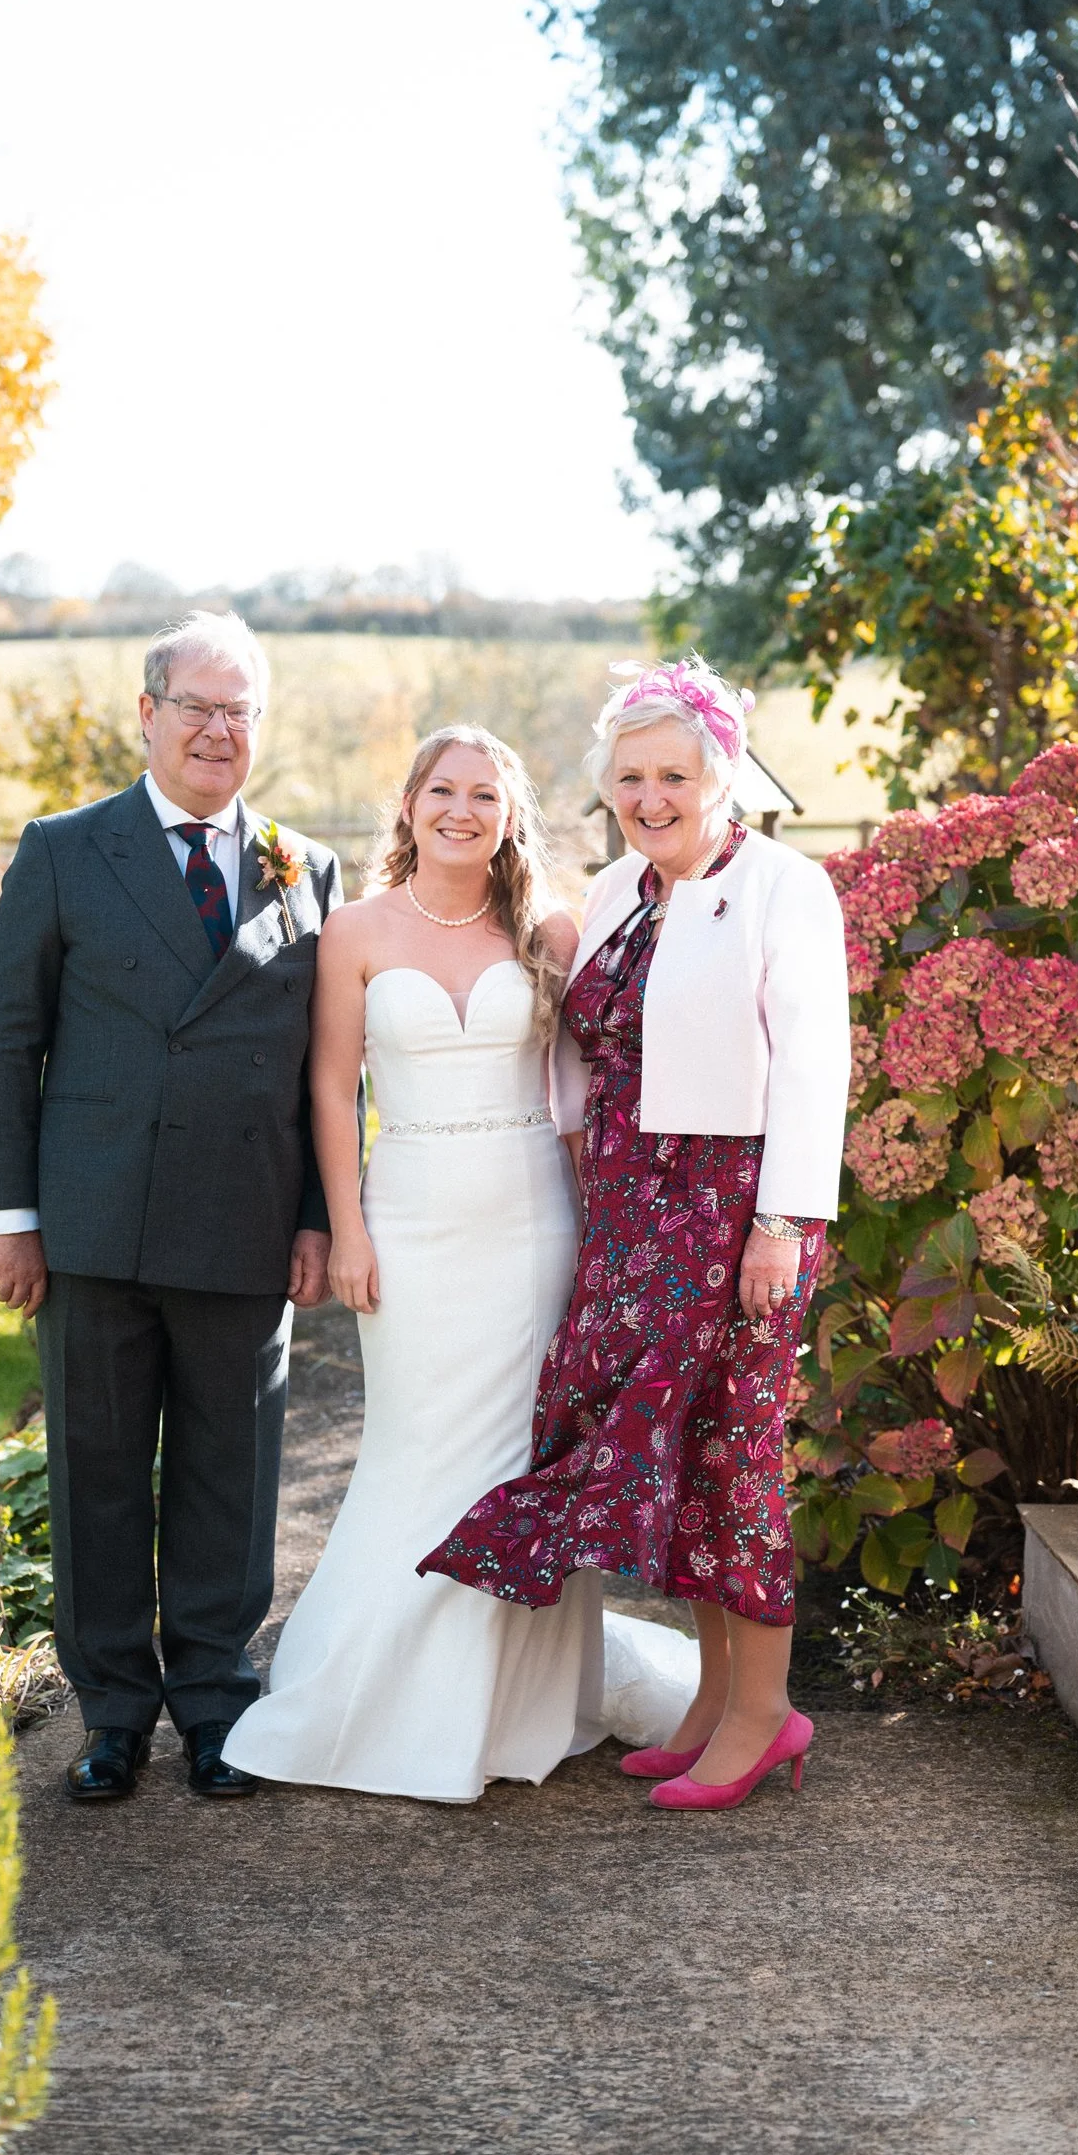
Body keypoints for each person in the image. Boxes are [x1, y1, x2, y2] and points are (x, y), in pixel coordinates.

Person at [224, 726, 697, 1802]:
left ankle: (514, 1708)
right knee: (414, 1447)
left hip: (532, 1222)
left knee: (513, 1461)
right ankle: (376, 1696)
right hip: (408, 1214)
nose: (461, 809)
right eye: (443, 789)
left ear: (507, 813)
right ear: (407, 804)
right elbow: (329, 1087)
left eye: (484, 794)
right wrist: (346, 1227)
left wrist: (610, 1238)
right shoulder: (352, 931)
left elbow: (582, 1097)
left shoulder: (547, 927)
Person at [422, 659, 850, 1812]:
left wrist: (779, 1226)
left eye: (674, 773)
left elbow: (813, 1070)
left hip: (731, 1210)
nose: (650, 795)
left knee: (735, 1458)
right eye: (630, 776)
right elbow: (581, 1042)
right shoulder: (618, 889)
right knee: (676, 1454)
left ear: (720, 775)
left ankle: (763, 1714)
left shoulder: (780, 886)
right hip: (628, 1214)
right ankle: (713, 1702)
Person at [0, 609, 341, 1804]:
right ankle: (115, 1712)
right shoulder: (65, 851)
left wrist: (319, 1216)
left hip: (240, 1223)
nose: (219, 730)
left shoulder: (305, 866)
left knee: (232, 1480)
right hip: (92, 1225)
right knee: (98, 1471)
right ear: (147, 714)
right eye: (198, 706)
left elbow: (327, 1071)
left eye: (241, 711)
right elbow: (6, 1044)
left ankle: (219, 1709)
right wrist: (8, 1218)